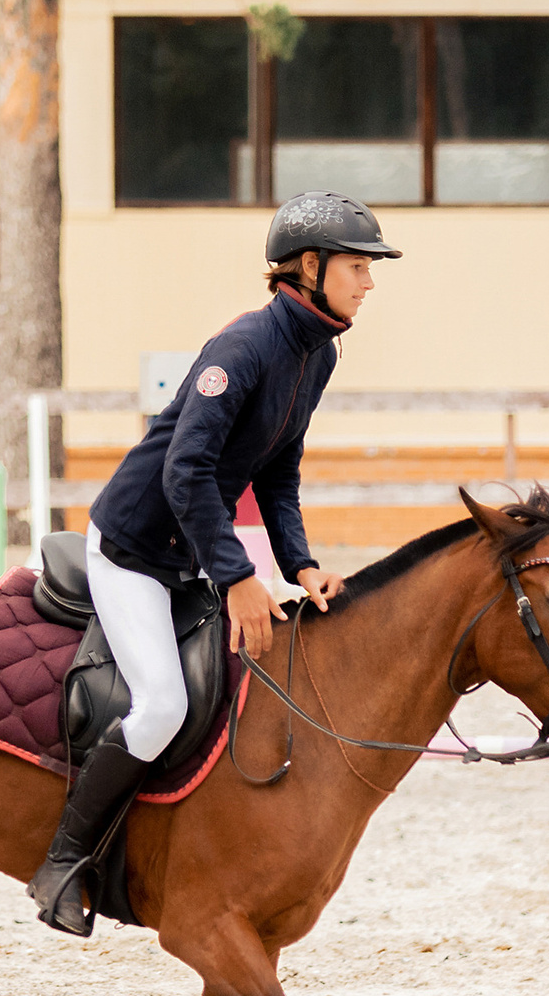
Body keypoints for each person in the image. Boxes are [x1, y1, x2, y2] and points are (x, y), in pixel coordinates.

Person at [27, 190, 391, 935]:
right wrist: (237, 578)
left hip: (187, 555)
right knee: (162, 702)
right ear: (310, 268)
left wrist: (301, 564)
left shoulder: (315, 354)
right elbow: (185, 472)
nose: (369, 282)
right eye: (358, 266)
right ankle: (64, 861)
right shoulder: (244, 348)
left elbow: (277, 473)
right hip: (131, 550)